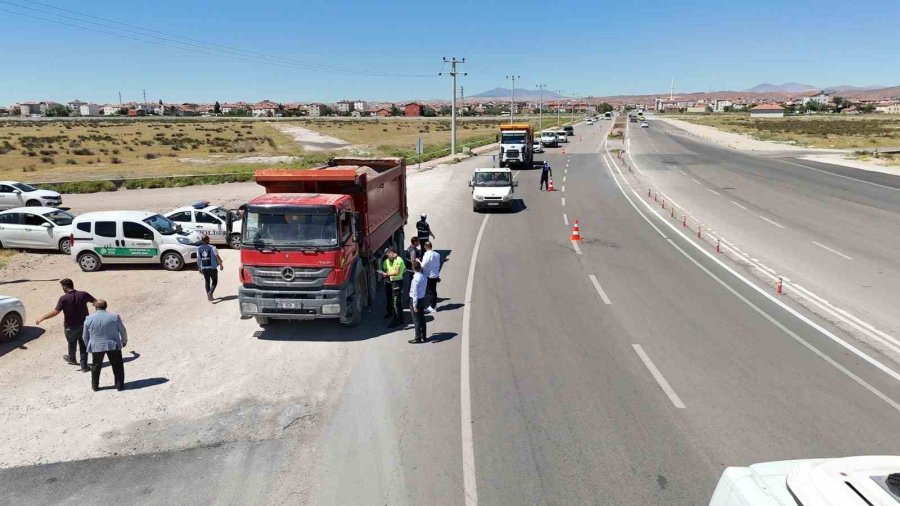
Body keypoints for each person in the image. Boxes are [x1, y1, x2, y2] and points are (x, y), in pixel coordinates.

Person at [36, 278, 96, 372]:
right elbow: (96, 302)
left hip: (70, 327)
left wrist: (42, 318)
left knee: (71, 343)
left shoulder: (63, 298)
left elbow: (56, 312)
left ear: (64, 286)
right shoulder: (83, 294)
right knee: (83, 346)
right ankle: (84, 366)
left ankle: (72, 358)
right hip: (84, 325)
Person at [83, 299, 128, 392]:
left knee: (96, 367)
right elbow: (122, 330)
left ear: (96, 307)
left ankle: (95, 386)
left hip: (96, 346)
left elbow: (85, 336)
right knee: (117, 366)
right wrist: (124, 341)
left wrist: (89, 346)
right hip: (113, 345)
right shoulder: (114, 317)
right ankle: (119, 385)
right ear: (106, 306)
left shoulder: (88, 318)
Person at [381, 247, 406, 327]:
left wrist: (387, 274)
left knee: (395, 303)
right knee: (397, 302)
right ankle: (401, 319)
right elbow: (404, 270)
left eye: (389, 254)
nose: (388, 256)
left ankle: (397, 320)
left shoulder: (398, 260)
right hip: (395, 282)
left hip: (397, 283)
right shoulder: (397, 260)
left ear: (392, 252)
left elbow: (397, 272)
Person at [197, 235, 224, 301]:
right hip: (212, 268)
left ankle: (209, 297)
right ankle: (210, 293)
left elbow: (198, 259)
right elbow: (217, 257)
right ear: (207, 240)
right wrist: (221, 265)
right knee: (214, 281)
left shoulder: (198, 248)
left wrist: (199, 268)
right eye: (209, 239)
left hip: (204, 267)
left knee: (207, 282)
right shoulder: (213, 247)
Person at [408, 260, 428, 344]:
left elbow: (415, 293)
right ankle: (424, 336)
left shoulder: (415, 279)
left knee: (416, 320)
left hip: (416, 300)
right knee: (422, 318)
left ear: (413, 268)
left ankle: (417, 338)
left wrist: (414, 305)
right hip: (422, 298)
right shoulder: (424, 276)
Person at [420, 241, 441, 313]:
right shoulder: (437, 254)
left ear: (425, 247)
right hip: (435, 275)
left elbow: (422, 265)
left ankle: (432, 307)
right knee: (433, 290)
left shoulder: (427, 255)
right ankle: (433, 305)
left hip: (429, 276)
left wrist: (418, 261)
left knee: (430, 292)